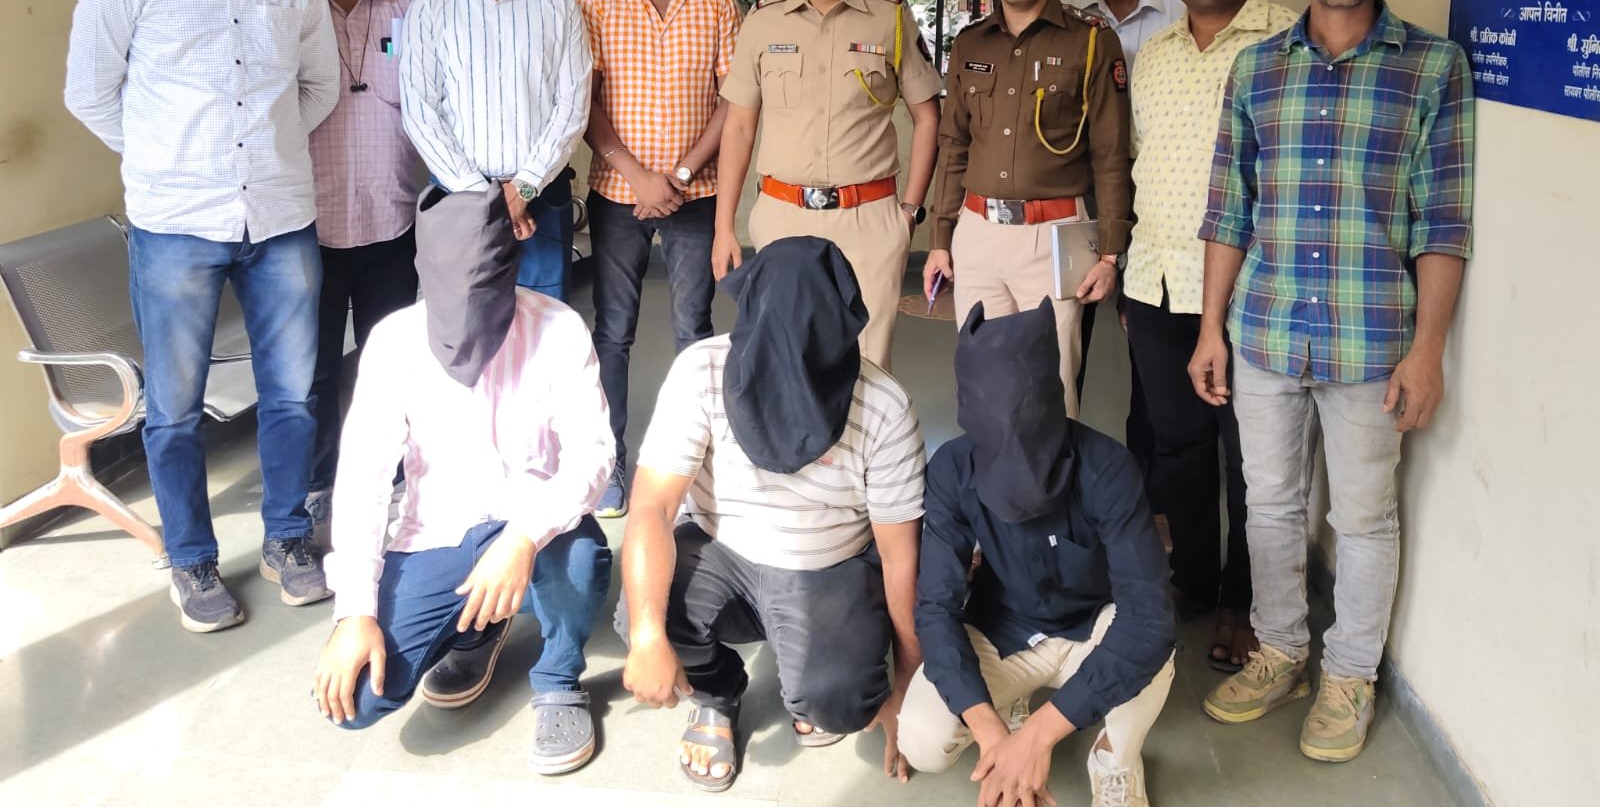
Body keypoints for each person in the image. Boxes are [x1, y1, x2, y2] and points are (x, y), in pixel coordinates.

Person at [1192, 0, 1474, 763]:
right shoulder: (1257, 68)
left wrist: (1427, 351)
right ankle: (1281, 651)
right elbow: (1228, 211)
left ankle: (1349, 674)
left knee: (1362, 518)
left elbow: (1443, 222)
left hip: (1371, 340)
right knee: (1271, 506)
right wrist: (1209, 329)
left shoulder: (1432, 68)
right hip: (1266, 332)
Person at [64, 0, 339, 632]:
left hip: (280, 218)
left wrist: (264, 154)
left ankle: (288, 539)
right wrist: (167, 159)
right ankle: (190, 559)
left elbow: (319, 87)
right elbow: (89, 93)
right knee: (176, 409)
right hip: (175, 225)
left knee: (291, 396)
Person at [312, 184, 614, 775]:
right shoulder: (395, 340)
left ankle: (558, 677)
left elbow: (593, 455)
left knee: (580, 561)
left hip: (537, 528)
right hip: (440, 531)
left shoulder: (557, 327)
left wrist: (523, 538)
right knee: (358, 701)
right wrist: (353, 613)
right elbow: (362, 480)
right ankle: (477, 628)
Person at [619, 237, 925, 793]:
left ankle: (812, 685)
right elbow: (651, 506)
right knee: (643, 612)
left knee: (840, 700)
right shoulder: (701, 370)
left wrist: (908, 683)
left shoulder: (883, 404)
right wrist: (645, 637)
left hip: (827, 565)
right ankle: (718, 692)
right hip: (721, 550)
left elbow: (899, 556)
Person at [897, 300, 1175, 807]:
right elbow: (935, 608)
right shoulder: (951, 471)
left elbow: (1149, 620)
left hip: (1092, 627)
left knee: (1153, 657)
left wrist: (1039, 736)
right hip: (1003, 630)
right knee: (922, 741)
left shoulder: (1107, 468)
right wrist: (993, 737)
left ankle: (1115, 757)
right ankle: (1009, 710)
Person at [1121, 0, 1299, 673]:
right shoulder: (1156, 54)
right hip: (1157, 283)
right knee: (1179, 447)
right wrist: (1131, 279)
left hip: (1253, 288)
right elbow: (1138, 164)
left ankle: (1244, 599)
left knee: (1250, 458)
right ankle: (1193, 581)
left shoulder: (1290, 41)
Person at [712, 0, 942, 370]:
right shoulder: (763, 21)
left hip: (870, 219)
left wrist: (908, 213)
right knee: (787, 359)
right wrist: (723, 227)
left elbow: (928, 116)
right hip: (783, 215)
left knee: (868, 363)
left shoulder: (891, 17)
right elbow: (738, 128)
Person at [923, 0, 1132, 417]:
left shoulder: (1091, 41)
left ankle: (1051, 473)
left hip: (1054, 235)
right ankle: (992, 472)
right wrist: (941, 240)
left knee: (1051, 387)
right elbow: (954, 145)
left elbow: (1110, 154)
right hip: (978, 232)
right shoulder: (971, 43)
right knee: (983, 379)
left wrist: (1110, 255)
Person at [578, 0, 742, 518]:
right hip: (617, 193)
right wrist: (638, 175)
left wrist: (676, 174)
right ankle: (609, 463)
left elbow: (731, 103)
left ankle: (692, 465)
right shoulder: (594, 3)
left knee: (693, 332)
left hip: (695, 195)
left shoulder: (719, 5)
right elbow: (585, 102)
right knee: (612, 332)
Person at [291, 0, 422, 537]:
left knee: (389, 361)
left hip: (390, 220)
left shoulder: (409, 9)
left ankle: (396, 478)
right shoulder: (284, 9)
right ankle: (319, 484)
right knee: (310, 370)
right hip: (303, 230)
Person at [399, 0, 591, 302]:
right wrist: (483, 199)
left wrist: (522, 190)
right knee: (460, 322)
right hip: (457, 196)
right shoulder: (429, 9)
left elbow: (572, 109)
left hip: (541, 194)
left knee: (544, 321)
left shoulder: (560, 9)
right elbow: (420, 112)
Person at [1062, 0, 1183, 495]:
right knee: (1067, 334)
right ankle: (1062, 474)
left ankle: (1149, 490)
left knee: (1153, 348)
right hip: (1082, 194)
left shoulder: (1183, 10)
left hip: (1163, 194)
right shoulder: (1066, 13)